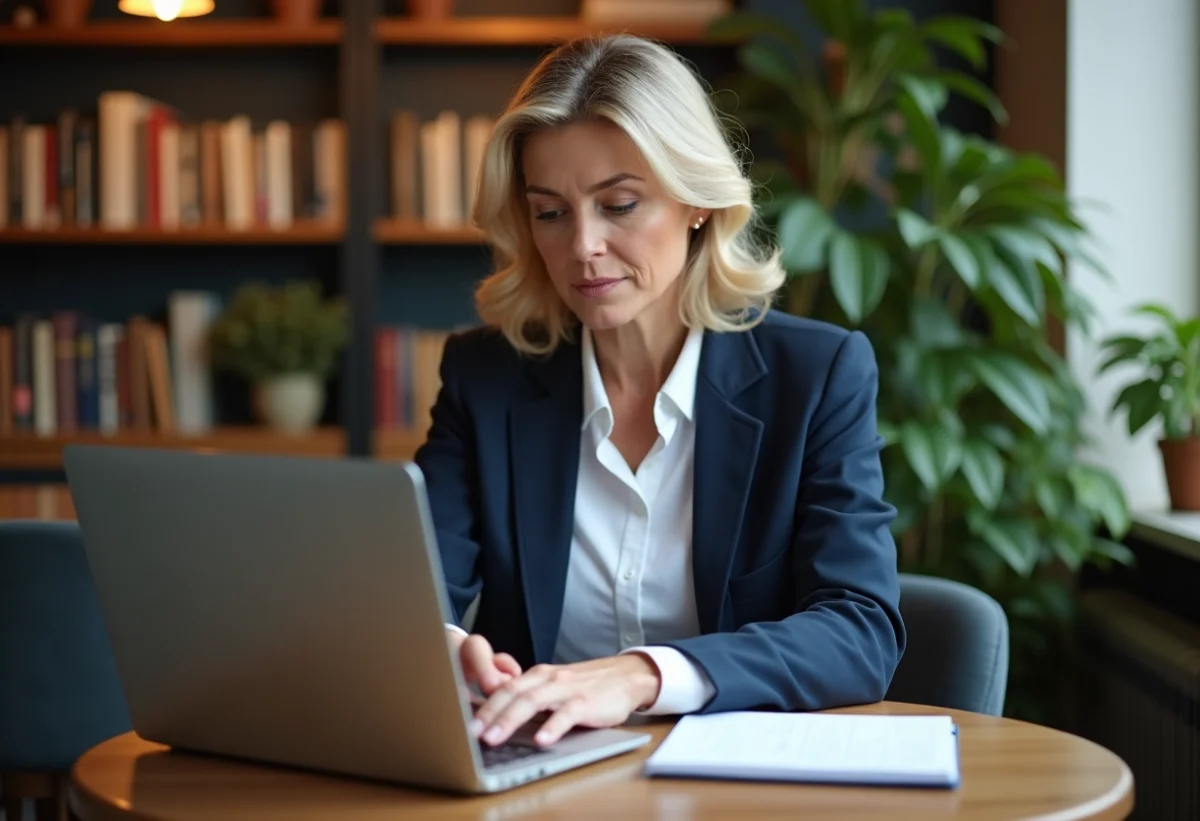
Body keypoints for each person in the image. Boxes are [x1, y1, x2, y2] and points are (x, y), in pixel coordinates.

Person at [413, 33, 905, 752]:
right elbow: (415, 590)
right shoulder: (483, 377)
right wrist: (443, 646)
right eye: (551, 212)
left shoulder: (817, 374)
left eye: (619, 204)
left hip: (747, 785)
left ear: (697, 202)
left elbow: (860, 629)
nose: (582, 245)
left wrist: (641, 675)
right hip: (544, 778)